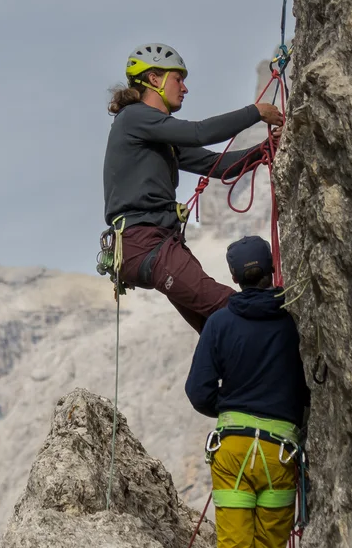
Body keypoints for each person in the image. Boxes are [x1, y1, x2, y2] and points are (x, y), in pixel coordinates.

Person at [102, 42, 285, 333]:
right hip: (146, 242)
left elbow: (218, 165)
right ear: (154, 79)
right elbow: (200, 133)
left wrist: (267, 148)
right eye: (178, 79)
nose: (184, 88)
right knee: (234, 308)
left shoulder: (157, 135)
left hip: (155, 243)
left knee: (217, 326)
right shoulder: (134, 117)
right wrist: (256, 112)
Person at [184, 236, 311, 548]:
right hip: (279, 451)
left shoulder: (220, 323)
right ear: (272, 269)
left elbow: (198, 390)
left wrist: (232, 405)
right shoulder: (293, 320)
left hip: (233, 450)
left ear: (234, 278)